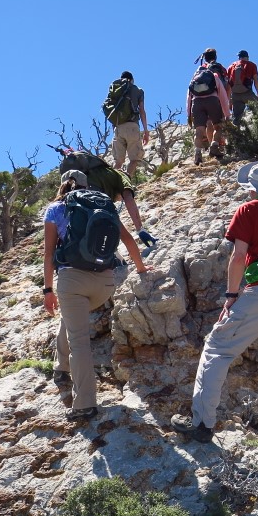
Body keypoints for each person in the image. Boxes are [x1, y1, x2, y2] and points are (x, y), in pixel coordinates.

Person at [171, 163, 258, 458]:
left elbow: (237, 258)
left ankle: (202, 424)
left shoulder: (249, 210)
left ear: (251, 187)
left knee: (217, 349)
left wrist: (232, 295)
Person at [42, 169, 151, 421]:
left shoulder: (56, 209)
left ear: (63, 186)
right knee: (71, 319)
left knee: (79, 341)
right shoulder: (103, 204)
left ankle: (85, 405)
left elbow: (48, 254)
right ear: (86, 184)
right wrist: (142, 268)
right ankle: (61, 367)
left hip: (72, 281)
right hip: (104, 283)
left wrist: (48, 290)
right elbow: (127, 240)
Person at [58, 149, 149, 236]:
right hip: (91, 183)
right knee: (102, 216)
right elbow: (128, 198)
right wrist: (140, 229)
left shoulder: (107, 174)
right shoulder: (122, 176)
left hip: (83, 182)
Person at [186, 48, 230, 164]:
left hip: (197, 103)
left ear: (204, 58)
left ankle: (198, 153)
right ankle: (214, 145)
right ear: (215, 56)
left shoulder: (196, 75)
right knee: (218, 126)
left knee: (199, 131)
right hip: (213, 100)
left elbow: (189, 95)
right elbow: (223, 93)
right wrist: (227, 114)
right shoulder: (215, 73)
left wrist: (189, 114)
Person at [105, 71, 149, 178]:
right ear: (132, 80)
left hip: (118, 128)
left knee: (118, 162)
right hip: (132, 126)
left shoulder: (115, 90)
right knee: (134, 159)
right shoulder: (138, 90)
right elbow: (142, 110)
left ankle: (113, 186)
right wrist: (146, 130)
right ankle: (126, 184)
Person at [225, 50, 258, 125]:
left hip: (235, 95)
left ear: (239, 57)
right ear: (247, 57)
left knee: (236, 118)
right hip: (247, 93)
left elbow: (228, 85)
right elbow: (256, 81)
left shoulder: (231, 67)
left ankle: (235, 135)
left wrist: (229, 101)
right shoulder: (252, 65)